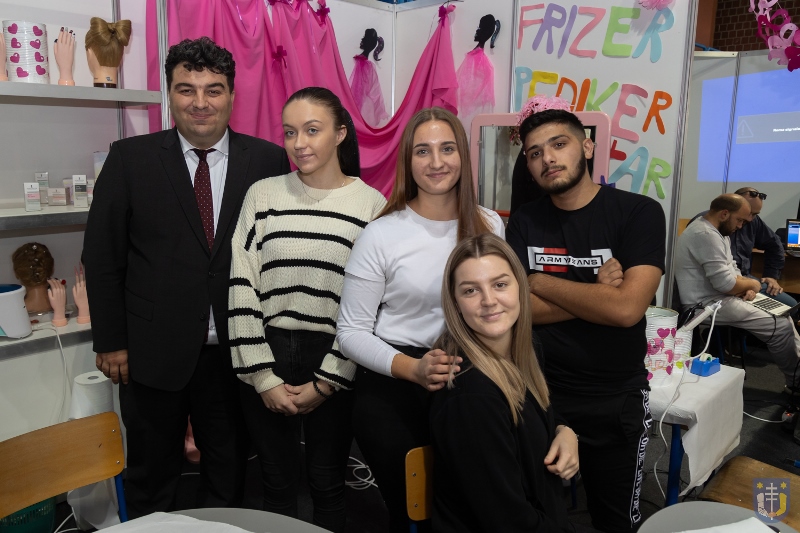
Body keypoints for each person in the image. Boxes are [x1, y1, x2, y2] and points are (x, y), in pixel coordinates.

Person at [83, 37, 290, 517]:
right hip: (151, 351)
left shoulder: (267, 161)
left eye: (213, 90)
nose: (200, 102)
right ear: (169, 94)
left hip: (237, 351)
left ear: (232, 95)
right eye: (186, 89)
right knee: (152, 474)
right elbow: (103, 256)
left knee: (228, 472)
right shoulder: (129, 158)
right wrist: (111, 342)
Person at [336, 107, 505, 533]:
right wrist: (414, 369)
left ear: (463, 155)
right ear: (408, 161)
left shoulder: (488, 224)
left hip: (470, 381)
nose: (436, 162)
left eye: (447, 148)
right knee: (414, 516)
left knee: (469, 510)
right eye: (423, 151)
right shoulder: (381, 234)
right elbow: (351, 332)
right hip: (396, 385)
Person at [228, 87, 386, 532]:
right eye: (290, 132)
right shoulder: (262, 195)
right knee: (275, 482)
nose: (299, 143)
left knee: (328, 481)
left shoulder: (371, 205)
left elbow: (370, 308)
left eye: (312, 130)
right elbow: (241, 286)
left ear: (340, 133)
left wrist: (331, 380)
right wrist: (262, 376)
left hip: (335, 353)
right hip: (266, 350)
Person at [506, 109, 665, 533]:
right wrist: (598, 292)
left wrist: (538, 281)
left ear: (588, 147)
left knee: (615, 522)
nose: (547, 158)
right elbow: (515, 311)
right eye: (534, 153)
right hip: (540, 392)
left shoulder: (638, 212)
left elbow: (626, 310)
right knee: (538, 517)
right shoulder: (524, 221)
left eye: (559, 144)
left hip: (615, 397)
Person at [431, 233, 584, 533]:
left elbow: (542, 409)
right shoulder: (471, 396)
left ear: (520, 289)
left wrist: (565, 430)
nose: (489, 301)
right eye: (471, 290)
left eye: (500, 284)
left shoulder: (526, 349)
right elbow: (508, 521)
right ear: (455, 303)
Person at [675, 194, 800, 391]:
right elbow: (726, 284)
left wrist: (744, 287)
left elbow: (733, 268)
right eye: (740, 220)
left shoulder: (719, 232)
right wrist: (752, 285)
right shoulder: (705, 235)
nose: (741, 226)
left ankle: (797, 376)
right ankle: (796, 383)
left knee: (784, 315)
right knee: (781, 327)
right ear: (724, 214)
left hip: (722, 298)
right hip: (705, 305)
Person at [688, 187, 797, 311]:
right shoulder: (710, 226)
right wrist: (746, 286)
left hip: (743, 280)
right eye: (747, 213)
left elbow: (774, 244)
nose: (750, 219)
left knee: (791, 306)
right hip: (720, 287)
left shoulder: (753, 221)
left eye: (755, 214)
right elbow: (718, 277)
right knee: (777, 317)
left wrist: (771, 275)